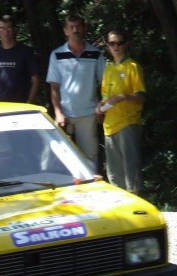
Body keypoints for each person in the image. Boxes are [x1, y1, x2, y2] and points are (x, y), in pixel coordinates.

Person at [46, 12, 106, 169]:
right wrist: (58, 113)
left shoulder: (96, 54)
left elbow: (106, 85)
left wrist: (102, 109)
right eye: (71, 27)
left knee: (90, 157)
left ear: (84, 28)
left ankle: (93, 189)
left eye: (78, 26)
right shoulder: (57, 55)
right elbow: (54, 87)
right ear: (65, 31)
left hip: (89, 113)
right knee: (65, 157)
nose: (75, 30)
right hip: (66, 114)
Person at [96, 29, 146, 195]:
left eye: (119, 43)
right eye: (112, 43)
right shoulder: (109, 68)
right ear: (108, 46)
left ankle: (138, 203)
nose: (115, 47)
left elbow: (141, 96)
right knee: (114, 173)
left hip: (128, 122)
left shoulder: (132, 66)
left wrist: (123, 97)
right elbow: (105, 96)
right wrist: (100, 107)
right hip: (109, 125)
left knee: (131, 169)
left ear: (126, 44)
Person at [0, 14, 40, 103]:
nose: (6, 32)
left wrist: (29, 104)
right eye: (2, 28)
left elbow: (35, 81)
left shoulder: (26, 52)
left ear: (15, 30)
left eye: (9, 28)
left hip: (20, 104)